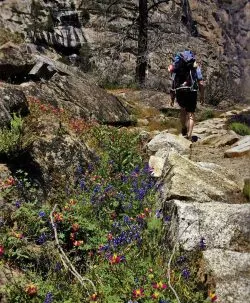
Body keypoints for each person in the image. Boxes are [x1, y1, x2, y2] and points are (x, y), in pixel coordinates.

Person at [168, 50, 205, 141]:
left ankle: (184, 128)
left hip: (180, 90)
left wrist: (172, 98)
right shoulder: (194, 66)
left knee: (183, 110)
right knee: (191, 113)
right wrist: (202, 95)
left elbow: (173, 83)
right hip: (192, 90)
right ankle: (189, 135)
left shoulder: (177, 66)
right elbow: (201, 83)